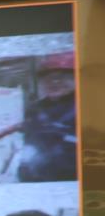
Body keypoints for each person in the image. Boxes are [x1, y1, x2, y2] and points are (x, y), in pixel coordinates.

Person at [16, 52, 76, 182]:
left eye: (62, 77)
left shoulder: (89, 108)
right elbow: (27, 142)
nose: (54, 82)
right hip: (36, 179)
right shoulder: (35, 109)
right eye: (48, 77)